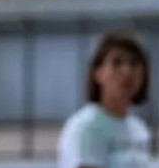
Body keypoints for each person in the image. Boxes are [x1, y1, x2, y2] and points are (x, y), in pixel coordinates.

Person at [58, 31, 152, 168]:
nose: (127, 71)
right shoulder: (87, 127)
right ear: (98, 73)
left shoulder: (138, 129)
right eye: (117, 63)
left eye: (134, 63)